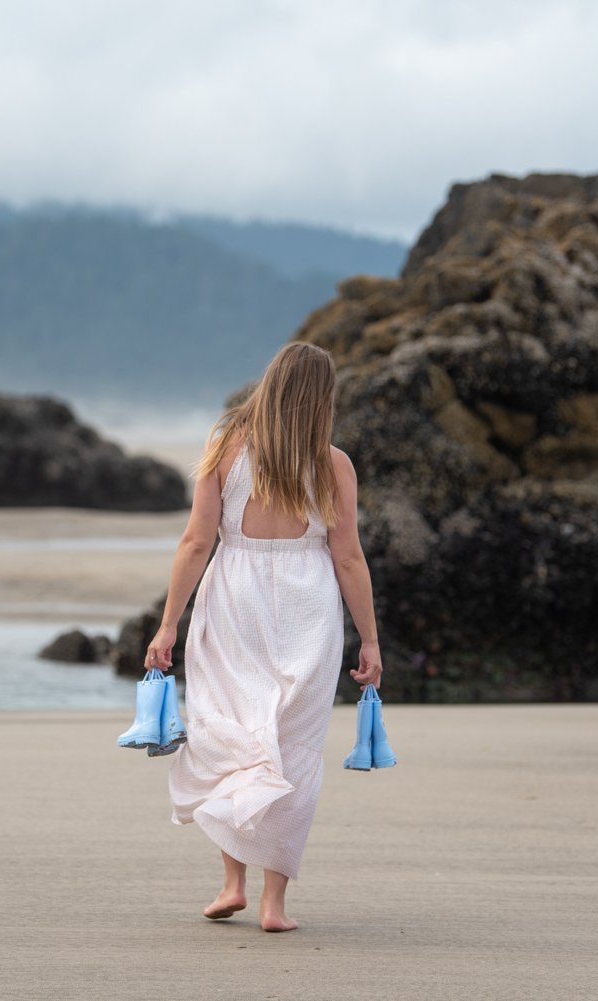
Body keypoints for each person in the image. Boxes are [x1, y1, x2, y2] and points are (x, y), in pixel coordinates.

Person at [144, 341, 383, 933]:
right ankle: (275, 905)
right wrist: (370, 641)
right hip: (309, 610)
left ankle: (232, 885)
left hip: (234, 603)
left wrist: (169, 621)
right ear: (321, 398)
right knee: (291, 747)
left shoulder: (225, 450)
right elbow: (348, 557)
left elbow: (197, 542)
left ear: (270, 385)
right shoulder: (333, 465)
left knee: (236, 734)